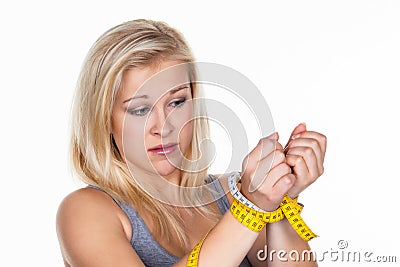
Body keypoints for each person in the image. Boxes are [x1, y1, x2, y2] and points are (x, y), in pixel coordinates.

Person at [56, 19, 327, 267]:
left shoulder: (232, 194)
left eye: (176, 102)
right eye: (140, 109)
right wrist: (251, 210)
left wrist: (279, 201)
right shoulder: (86, 211)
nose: (164, 127)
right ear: (103, 119)